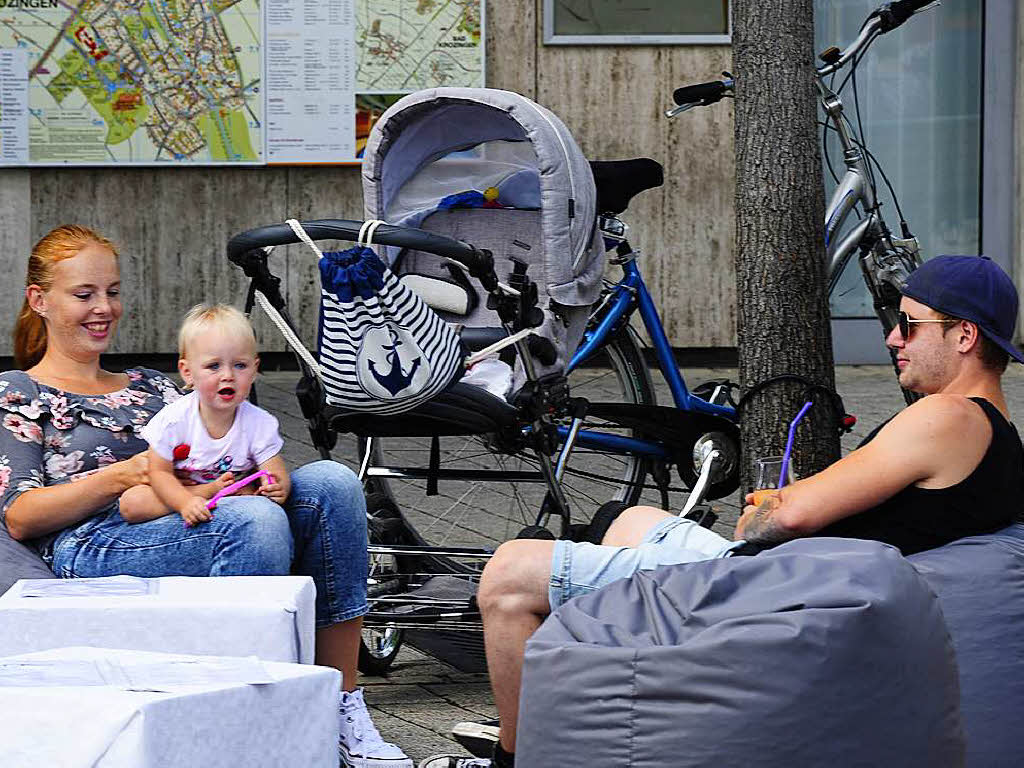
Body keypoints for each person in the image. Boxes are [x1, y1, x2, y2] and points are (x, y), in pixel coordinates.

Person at [421, 255, 1024, 768]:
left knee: (507, 575)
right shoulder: (996, 433)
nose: (893, 338)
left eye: (910, 326)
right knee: (626, 521)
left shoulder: (946, 416)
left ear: (964, 336)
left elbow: (789, 518)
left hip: (778, 592)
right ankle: (605, 683)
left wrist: (767, 510)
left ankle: (515, 755)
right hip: (816, 582)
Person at [0, 225, 413, 768]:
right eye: (84, 295)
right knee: (250, 521)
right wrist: (126, 475)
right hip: (96, 541)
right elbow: (21, 518)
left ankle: (341, 708)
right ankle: (253, 731)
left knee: (333, 485)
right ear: (40, 301)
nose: (104, 308)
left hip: (201, 508)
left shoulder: (156, 385)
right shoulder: (21, 391)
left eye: (113, 291)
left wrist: (263, 472)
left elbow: (234, 441)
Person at [121, 303, 289, 527]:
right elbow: (159, 474)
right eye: (214, 366)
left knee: (260, 496)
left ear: (254, 369)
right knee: (133, 502)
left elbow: (274, 471)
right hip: (184, 491)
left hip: (238, 497)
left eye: (240, 365)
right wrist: (185, 502)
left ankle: (225, 498)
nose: (228, 375)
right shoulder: (175, 419)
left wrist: (279, 488)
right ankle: (209, 493)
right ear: (188, 372)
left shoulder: (258, 422)